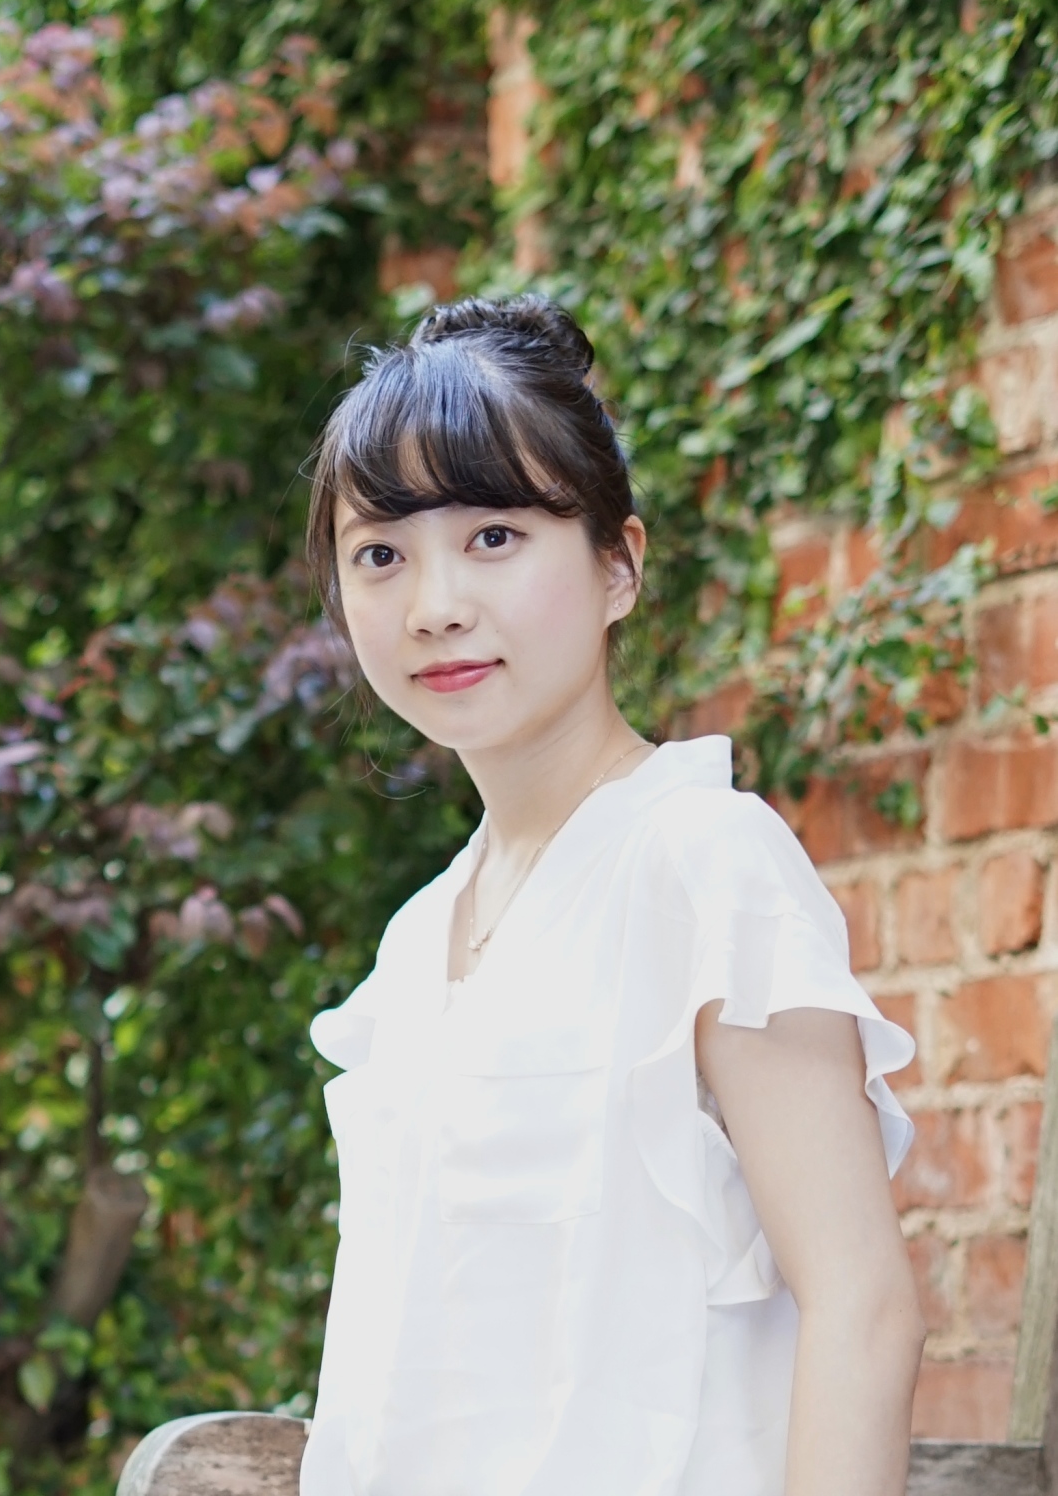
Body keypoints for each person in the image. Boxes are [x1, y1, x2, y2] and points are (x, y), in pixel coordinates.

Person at [298, 294, 925, 1496]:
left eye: (493, 535)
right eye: (380, 554)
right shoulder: (416, 942)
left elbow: (861, 1308)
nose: (434, 604)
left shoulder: (703, 864)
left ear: (617, 565)